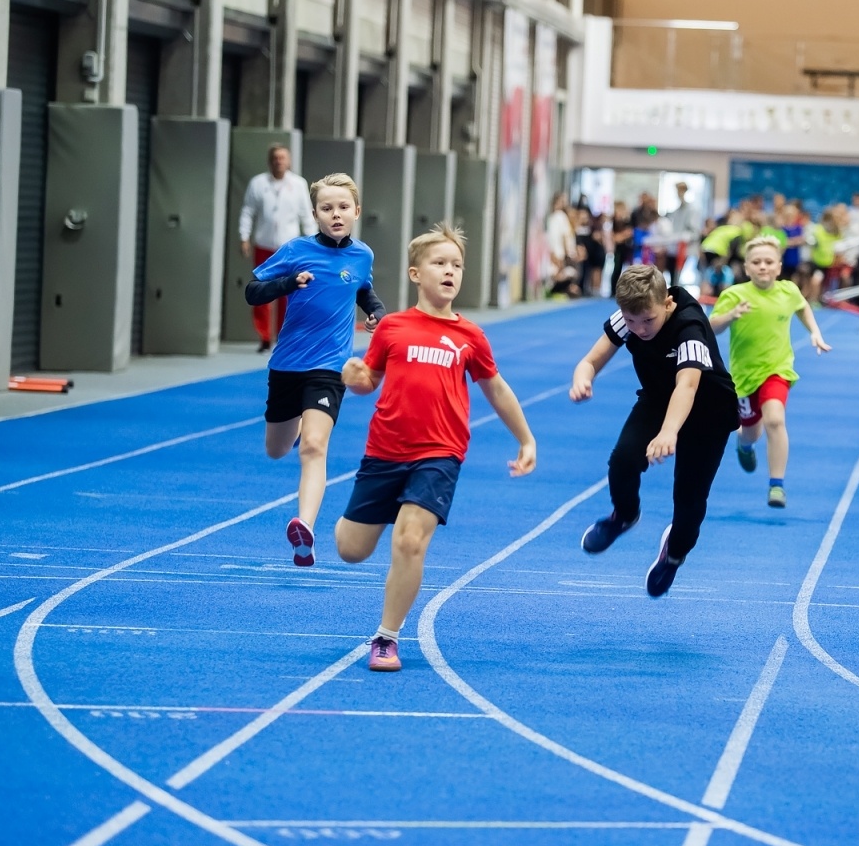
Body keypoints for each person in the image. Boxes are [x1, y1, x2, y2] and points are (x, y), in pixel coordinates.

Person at [336, 225, 537, 672]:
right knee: (351, 549)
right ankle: (375, 515)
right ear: (415, 272)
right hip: (385, 450)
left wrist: (525, 438)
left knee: (409, 542)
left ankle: (386, 638)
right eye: (439, 263)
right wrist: (355, 376)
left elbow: (497, 389)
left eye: (456, 265)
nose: (449, 272)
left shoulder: (470, 336)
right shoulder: (391, 327)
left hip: (440, 454)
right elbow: (369, 379)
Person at [570, 264, 739, 598]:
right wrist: (583, 376)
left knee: (689, 503)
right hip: (659, 398)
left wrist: (668, 432)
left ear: (667, 304)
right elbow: (590, 360)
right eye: (631, 321)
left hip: (709, 412)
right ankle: (624, 515)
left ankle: (674, 555)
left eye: (647, 320)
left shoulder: (690, 327)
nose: (639, 329)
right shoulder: (630, 317)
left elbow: (688, 386)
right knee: (622, 460)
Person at [245, 173, 384, 569]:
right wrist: (289, 283)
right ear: (315, 214)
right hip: (287, 365)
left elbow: (361, 289)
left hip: (330, 367)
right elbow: (252, 290)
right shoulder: (296, 250)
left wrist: (376, 312)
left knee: (314, 447)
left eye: (343, 207)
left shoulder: (362, 255)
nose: (336, 214)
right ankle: (299, 424)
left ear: (356, 211)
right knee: (276, 449)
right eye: (327, 208)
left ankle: (304, 529)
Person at [710, 236, 831, 508]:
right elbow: (712, 326)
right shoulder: (734, 295)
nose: (762, 267)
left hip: (777, 369)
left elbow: (802, 307)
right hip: (744, 376)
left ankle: (776, 485)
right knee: (752, 432)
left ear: (778, 267)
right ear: (747, 267)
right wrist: (731, 316)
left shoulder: (788, 291)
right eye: (756, 262)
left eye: (768, 262)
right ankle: (744, 443)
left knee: (775, 419)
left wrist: (815, 332)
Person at [239, 144, 316, 352]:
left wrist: (313, 243)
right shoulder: (258, 183)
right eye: (275, 158)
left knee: (288, 291)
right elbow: (248, 211)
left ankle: (285, 334)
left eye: (282, 158)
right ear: (270, 160)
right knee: (263, 291)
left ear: (288, 161)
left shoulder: (298, 184)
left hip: (289, 247)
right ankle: (264, 336)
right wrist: (243, 236)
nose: (279, 161)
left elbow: (306, 216)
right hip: (264, 244)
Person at [545, 193, 580, 297]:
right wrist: (566, 253)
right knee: (560, 271)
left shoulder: (555, 216)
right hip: (558, 250)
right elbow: (563, 236)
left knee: (560, 271)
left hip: (556, 250)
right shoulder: (559, 216)